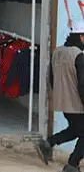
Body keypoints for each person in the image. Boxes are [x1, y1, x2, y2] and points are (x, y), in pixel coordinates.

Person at [37, 22, 84, 172]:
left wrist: (60, 94)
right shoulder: (79, 56)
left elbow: (51, 77)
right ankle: (72, 164)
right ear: (81, 37)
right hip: (77, 104)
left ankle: (48, 143)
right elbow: (82, 84)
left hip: (62, 101)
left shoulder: (57, 52)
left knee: (75, 130)